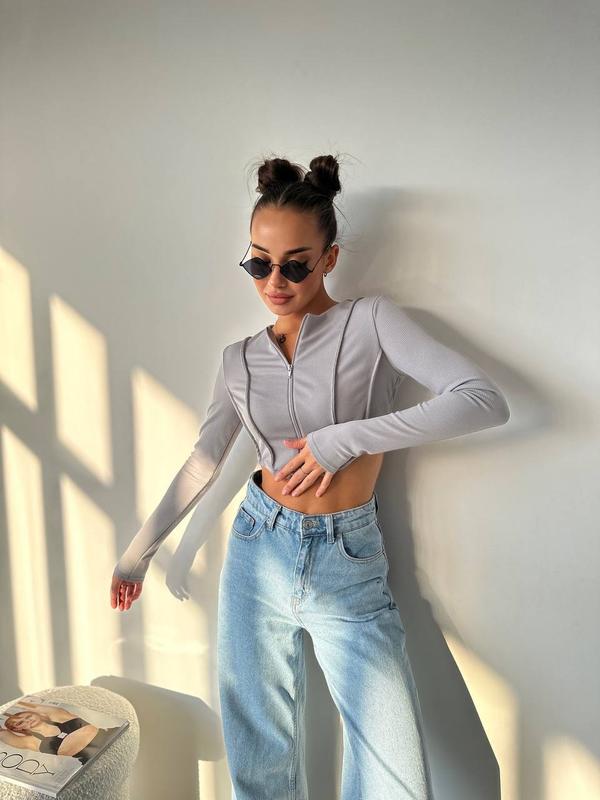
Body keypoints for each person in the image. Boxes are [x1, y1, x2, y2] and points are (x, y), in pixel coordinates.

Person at [110, 154, 510, 799]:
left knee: (393, 771)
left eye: (295, 264)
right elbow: (205, 459)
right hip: (256, 548)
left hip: (347, 555)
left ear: (329, 259)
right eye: (259, 263)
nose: (275, 280)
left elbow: (482, 400)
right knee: (258, 758)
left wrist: (344, 439)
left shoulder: (371, 321)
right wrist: (138, 555)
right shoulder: (238, 360)